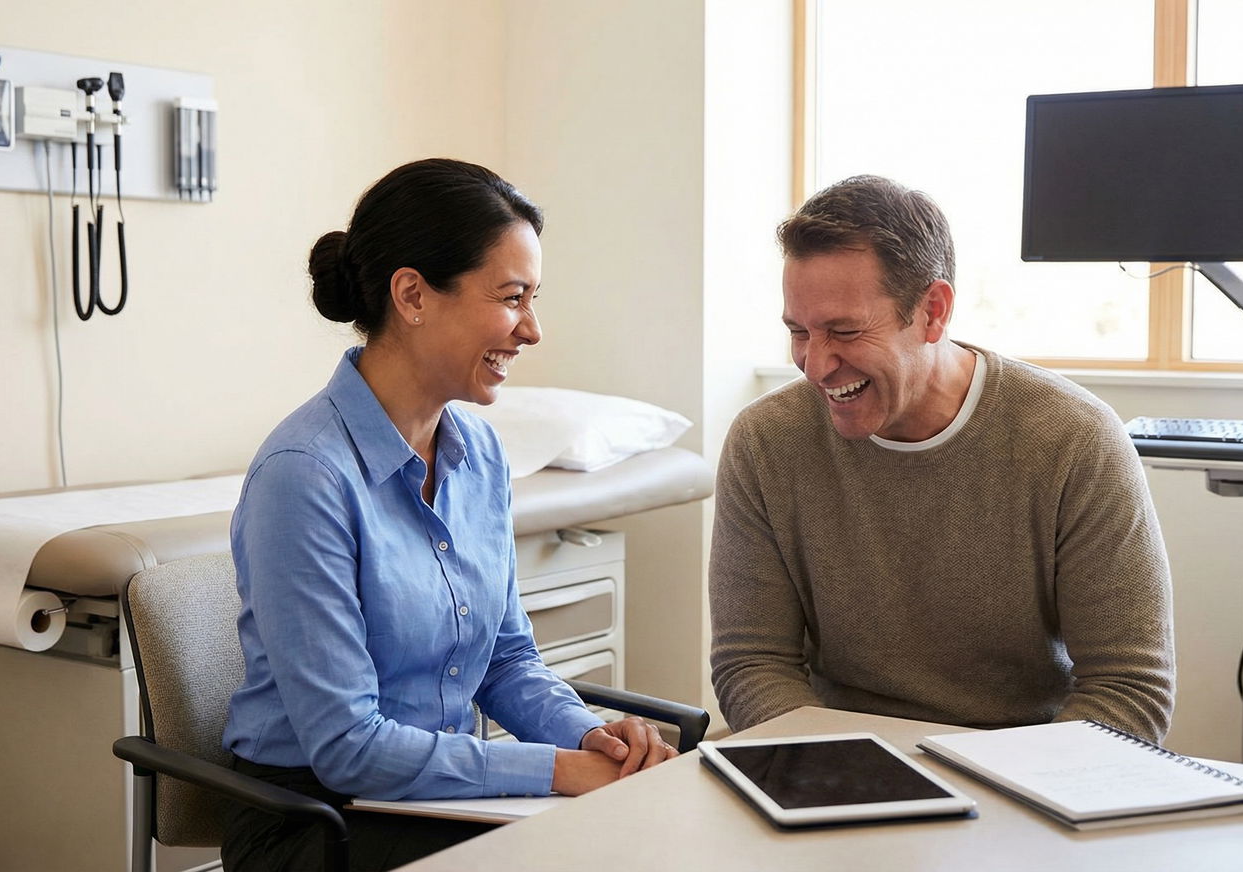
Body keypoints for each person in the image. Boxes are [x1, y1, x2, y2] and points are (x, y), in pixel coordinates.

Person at [222, 158, 676, 871]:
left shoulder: (481, 456)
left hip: (435, 799)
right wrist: (557, 771)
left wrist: (589, 739)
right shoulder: (304, 478)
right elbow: (348, 749)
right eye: (511, 297)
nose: (531, 330)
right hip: (314, 819)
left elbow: (504, 658)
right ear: (413, 294)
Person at [709, 175, 1175, 743]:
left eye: (846, 330)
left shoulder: (1072, 439)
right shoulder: (766, 441)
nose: (814, 365)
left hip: (1022, 772)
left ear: (933, 311)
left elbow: (1130, 689)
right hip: (834, 763)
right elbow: (751, 664)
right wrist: (836, 770)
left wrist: (997, 792)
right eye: (798, 331)